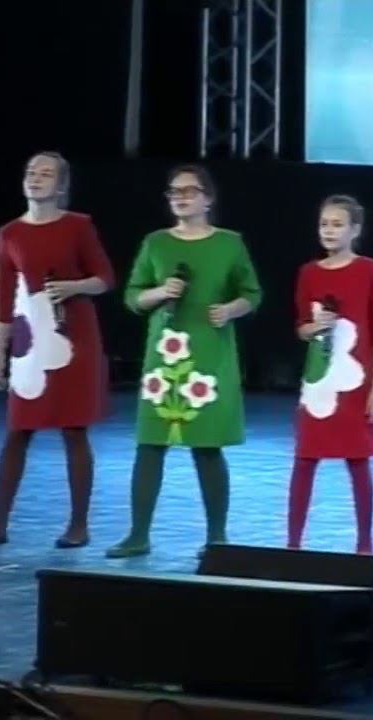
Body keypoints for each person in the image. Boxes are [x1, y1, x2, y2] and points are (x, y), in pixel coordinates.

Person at [106, 164, 262, 559]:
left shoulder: (229, 244)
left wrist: (230, 310)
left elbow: (252, 293)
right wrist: (160, 292)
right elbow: (133, 297)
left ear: (208, 198)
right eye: (174, 192)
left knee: (207, 445)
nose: (180, 197)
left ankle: (217, 536)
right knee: (150, 444)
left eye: (190, 191)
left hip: (209, 354)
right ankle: (138, 535)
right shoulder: (156, 243)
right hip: (165, 355)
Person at [0, 151, 115, 549]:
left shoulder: (78, 226)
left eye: (46, 173)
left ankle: (78, 526)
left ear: (62, 185)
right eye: (31, 172)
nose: (35, 178)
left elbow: (105, 278)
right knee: (18, 430)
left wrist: (74, 287)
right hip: (30, 338)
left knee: (74, 430)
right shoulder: (10, 233)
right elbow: (4, 298)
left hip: (75, 338)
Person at [287, 195, 373, 554]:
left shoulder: (369, 270)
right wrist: (316, 326)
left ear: (355, 229)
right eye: (324, 224)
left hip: (356, 378)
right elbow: (301, 327)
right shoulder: (309, 272)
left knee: (357, 458)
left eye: (337, 224)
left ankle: (364, 544)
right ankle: (293, 544)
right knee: (305, 457)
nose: (329, 231)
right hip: (320, 379)